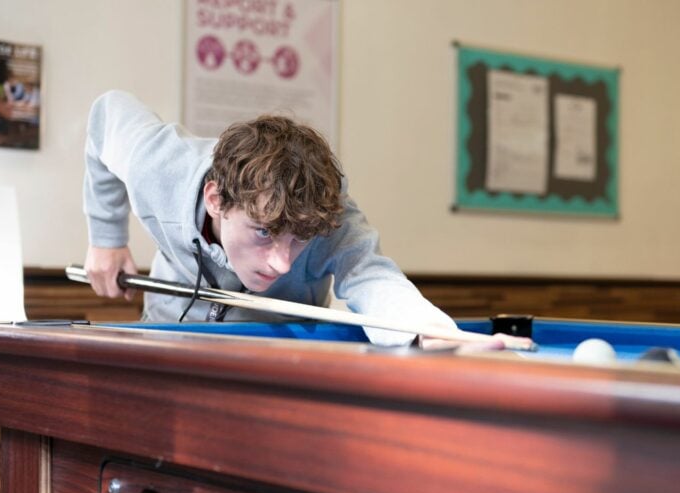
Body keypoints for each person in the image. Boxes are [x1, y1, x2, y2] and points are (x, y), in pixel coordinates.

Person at [82, 90, 521, 349]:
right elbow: (108, 111)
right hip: (167, 336)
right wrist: (106, 238)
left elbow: (371, 275)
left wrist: (426, 328)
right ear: (216, 199)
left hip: (279, 351)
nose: (282, 264)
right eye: (264, 232)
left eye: (299, 241)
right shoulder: (162, 166)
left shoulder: (329, 214)